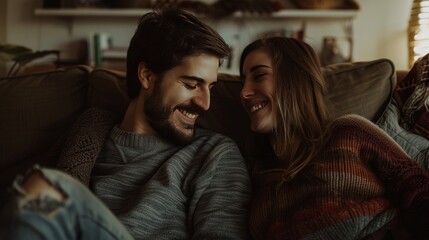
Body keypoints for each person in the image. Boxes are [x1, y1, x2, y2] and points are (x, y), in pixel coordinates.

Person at [1, 8, 251, 239]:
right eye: (191, 84)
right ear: (147, 76)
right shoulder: (88, 137)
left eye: (211, 87)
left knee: (45, 189)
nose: (205, 103)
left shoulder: (213, 153)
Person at [239, 36, 429, 240]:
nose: (244, 93)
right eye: (242, 82)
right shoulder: (255, 179)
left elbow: (420, 195)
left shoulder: (350, 132)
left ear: (295, 79)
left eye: (259, 76)